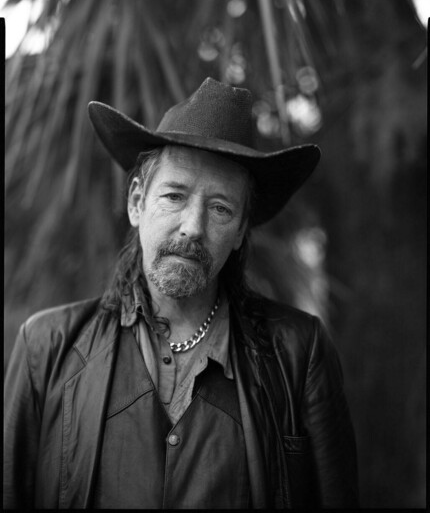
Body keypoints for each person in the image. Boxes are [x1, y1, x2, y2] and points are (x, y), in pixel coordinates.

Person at [3, 77, 359, 509]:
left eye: (220, 208)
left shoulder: (299, 353)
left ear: (240, 232)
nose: (193, 227)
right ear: (137, 202)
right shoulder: (46, 348)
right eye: (174, 196)